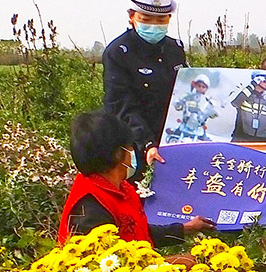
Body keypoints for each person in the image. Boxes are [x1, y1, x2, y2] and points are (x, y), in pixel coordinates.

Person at [58, 110, 213, 261]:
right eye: (130, 147)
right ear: (118, 154)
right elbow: (112, 267)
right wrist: (174, 261)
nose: (133, 152)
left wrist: (186, 228)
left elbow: (138, 231)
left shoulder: (119, 187)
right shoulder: (90, 206)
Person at [102, 0, 186, 175]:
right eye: (146, 19)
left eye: (161, 19)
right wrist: (147, 143)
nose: (154, 25)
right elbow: (120, 106)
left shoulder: (175, 50)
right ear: (132, 17)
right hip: (134, 145)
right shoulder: (118, 53)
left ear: (169, 19)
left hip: (172, 142)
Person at [168, 73, 218, 141]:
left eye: (203, 87)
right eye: (199, 85)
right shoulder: (188, 96)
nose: (200, 88)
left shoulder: (208, 100)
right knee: (173, 133)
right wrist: (178, 103)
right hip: (186, 122)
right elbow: (179, 105)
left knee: (206, 141)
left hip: (199, 125)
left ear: (206, 89)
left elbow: (212, 111)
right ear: (195, 85)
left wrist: (214, 113)